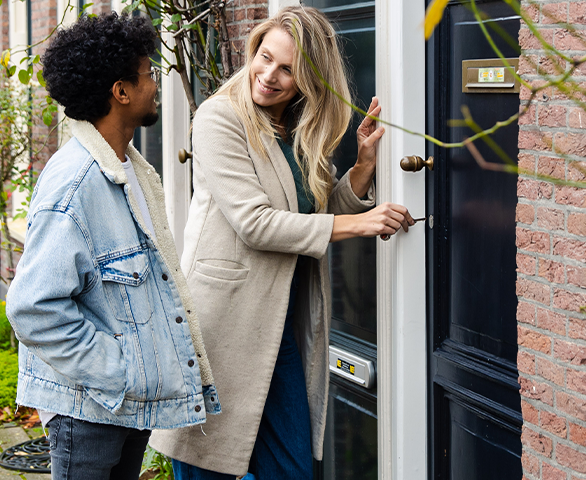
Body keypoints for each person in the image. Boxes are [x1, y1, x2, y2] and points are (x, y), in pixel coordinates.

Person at [148, 7, 414, 479]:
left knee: (291, 469)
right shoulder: (219, 118)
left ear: (309, 78)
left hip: (282, 327)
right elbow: (256, 224)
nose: (268, 75)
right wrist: (363, 224)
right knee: (206, 466)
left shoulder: (297, 126)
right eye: (264, 57)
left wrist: (363, 168)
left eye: (287, 68)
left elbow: (310, 213)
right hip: (225, 323)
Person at [5, 12, 219, 480]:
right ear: (120, 92)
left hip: (122, 405)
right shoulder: (75, 184)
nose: (155, 82)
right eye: (147, 74)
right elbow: (32, 308)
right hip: (89, 408)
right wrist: (120, 372)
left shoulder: (131, 171)